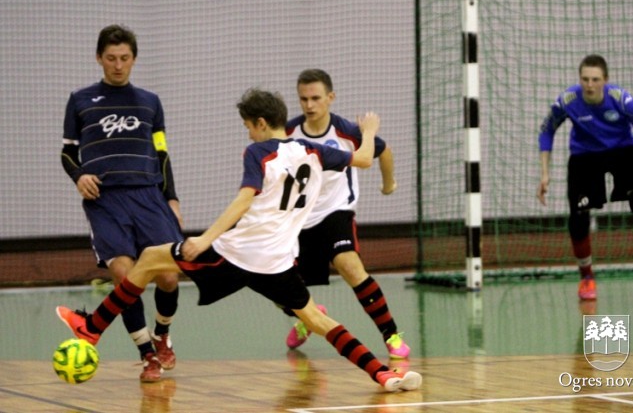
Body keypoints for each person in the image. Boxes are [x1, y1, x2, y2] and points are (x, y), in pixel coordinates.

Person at [57, 88, 422, 392]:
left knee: (151, 257)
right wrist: (369, 130)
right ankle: (383, 374)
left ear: (261, 123)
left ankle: (91, 329)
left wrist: (205, 239)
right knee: (316, 319)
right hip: (278, 262)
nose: (248, 134)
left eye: (248, 127)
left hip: (237, 254)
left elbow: (244, 198)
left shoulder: (259, 152)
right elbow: (364, 159)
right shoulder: (314, 152)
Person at [60, 24, 184, 381]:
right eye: (111, 58)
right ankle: (147, 356)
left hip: (149, 196)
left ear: (134, 59)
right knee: (125, 275)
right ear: (99, 58)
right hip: (106, 200)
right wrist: (79, 176)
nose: (118, 65)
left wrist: (172, 198)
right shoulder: (80, 100)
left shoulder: (150, 102)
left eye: (124, 58)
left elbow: (162, 154)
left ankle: (162, 335)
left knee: (168, 275)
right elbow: (67, 153)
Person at [283, 69, 409, 359]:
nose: (309, 105)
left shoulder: (346, 132)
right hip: (297, 218)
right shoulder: (289, 133)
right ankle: (308, 318)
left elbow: (384, 150)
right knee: (275, 279)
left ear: (331, 97)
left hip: (335, 211)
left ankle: (392, 336)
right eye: (303, 99)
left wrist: (388, 184)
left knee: (350, 266)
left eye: (316, 98)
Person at [537, 54, 633, 301]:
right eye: (585, 79)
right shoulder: (567, 101)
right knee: (578, 216)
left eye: (595, 80)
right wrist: (545, 174)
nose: (589, 85)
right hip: (584, 156)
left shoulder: (622, 100)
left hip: (623, 151)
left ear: (606, 80)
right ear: (579, 79)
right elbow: (546, 131)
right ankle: (586, 279)